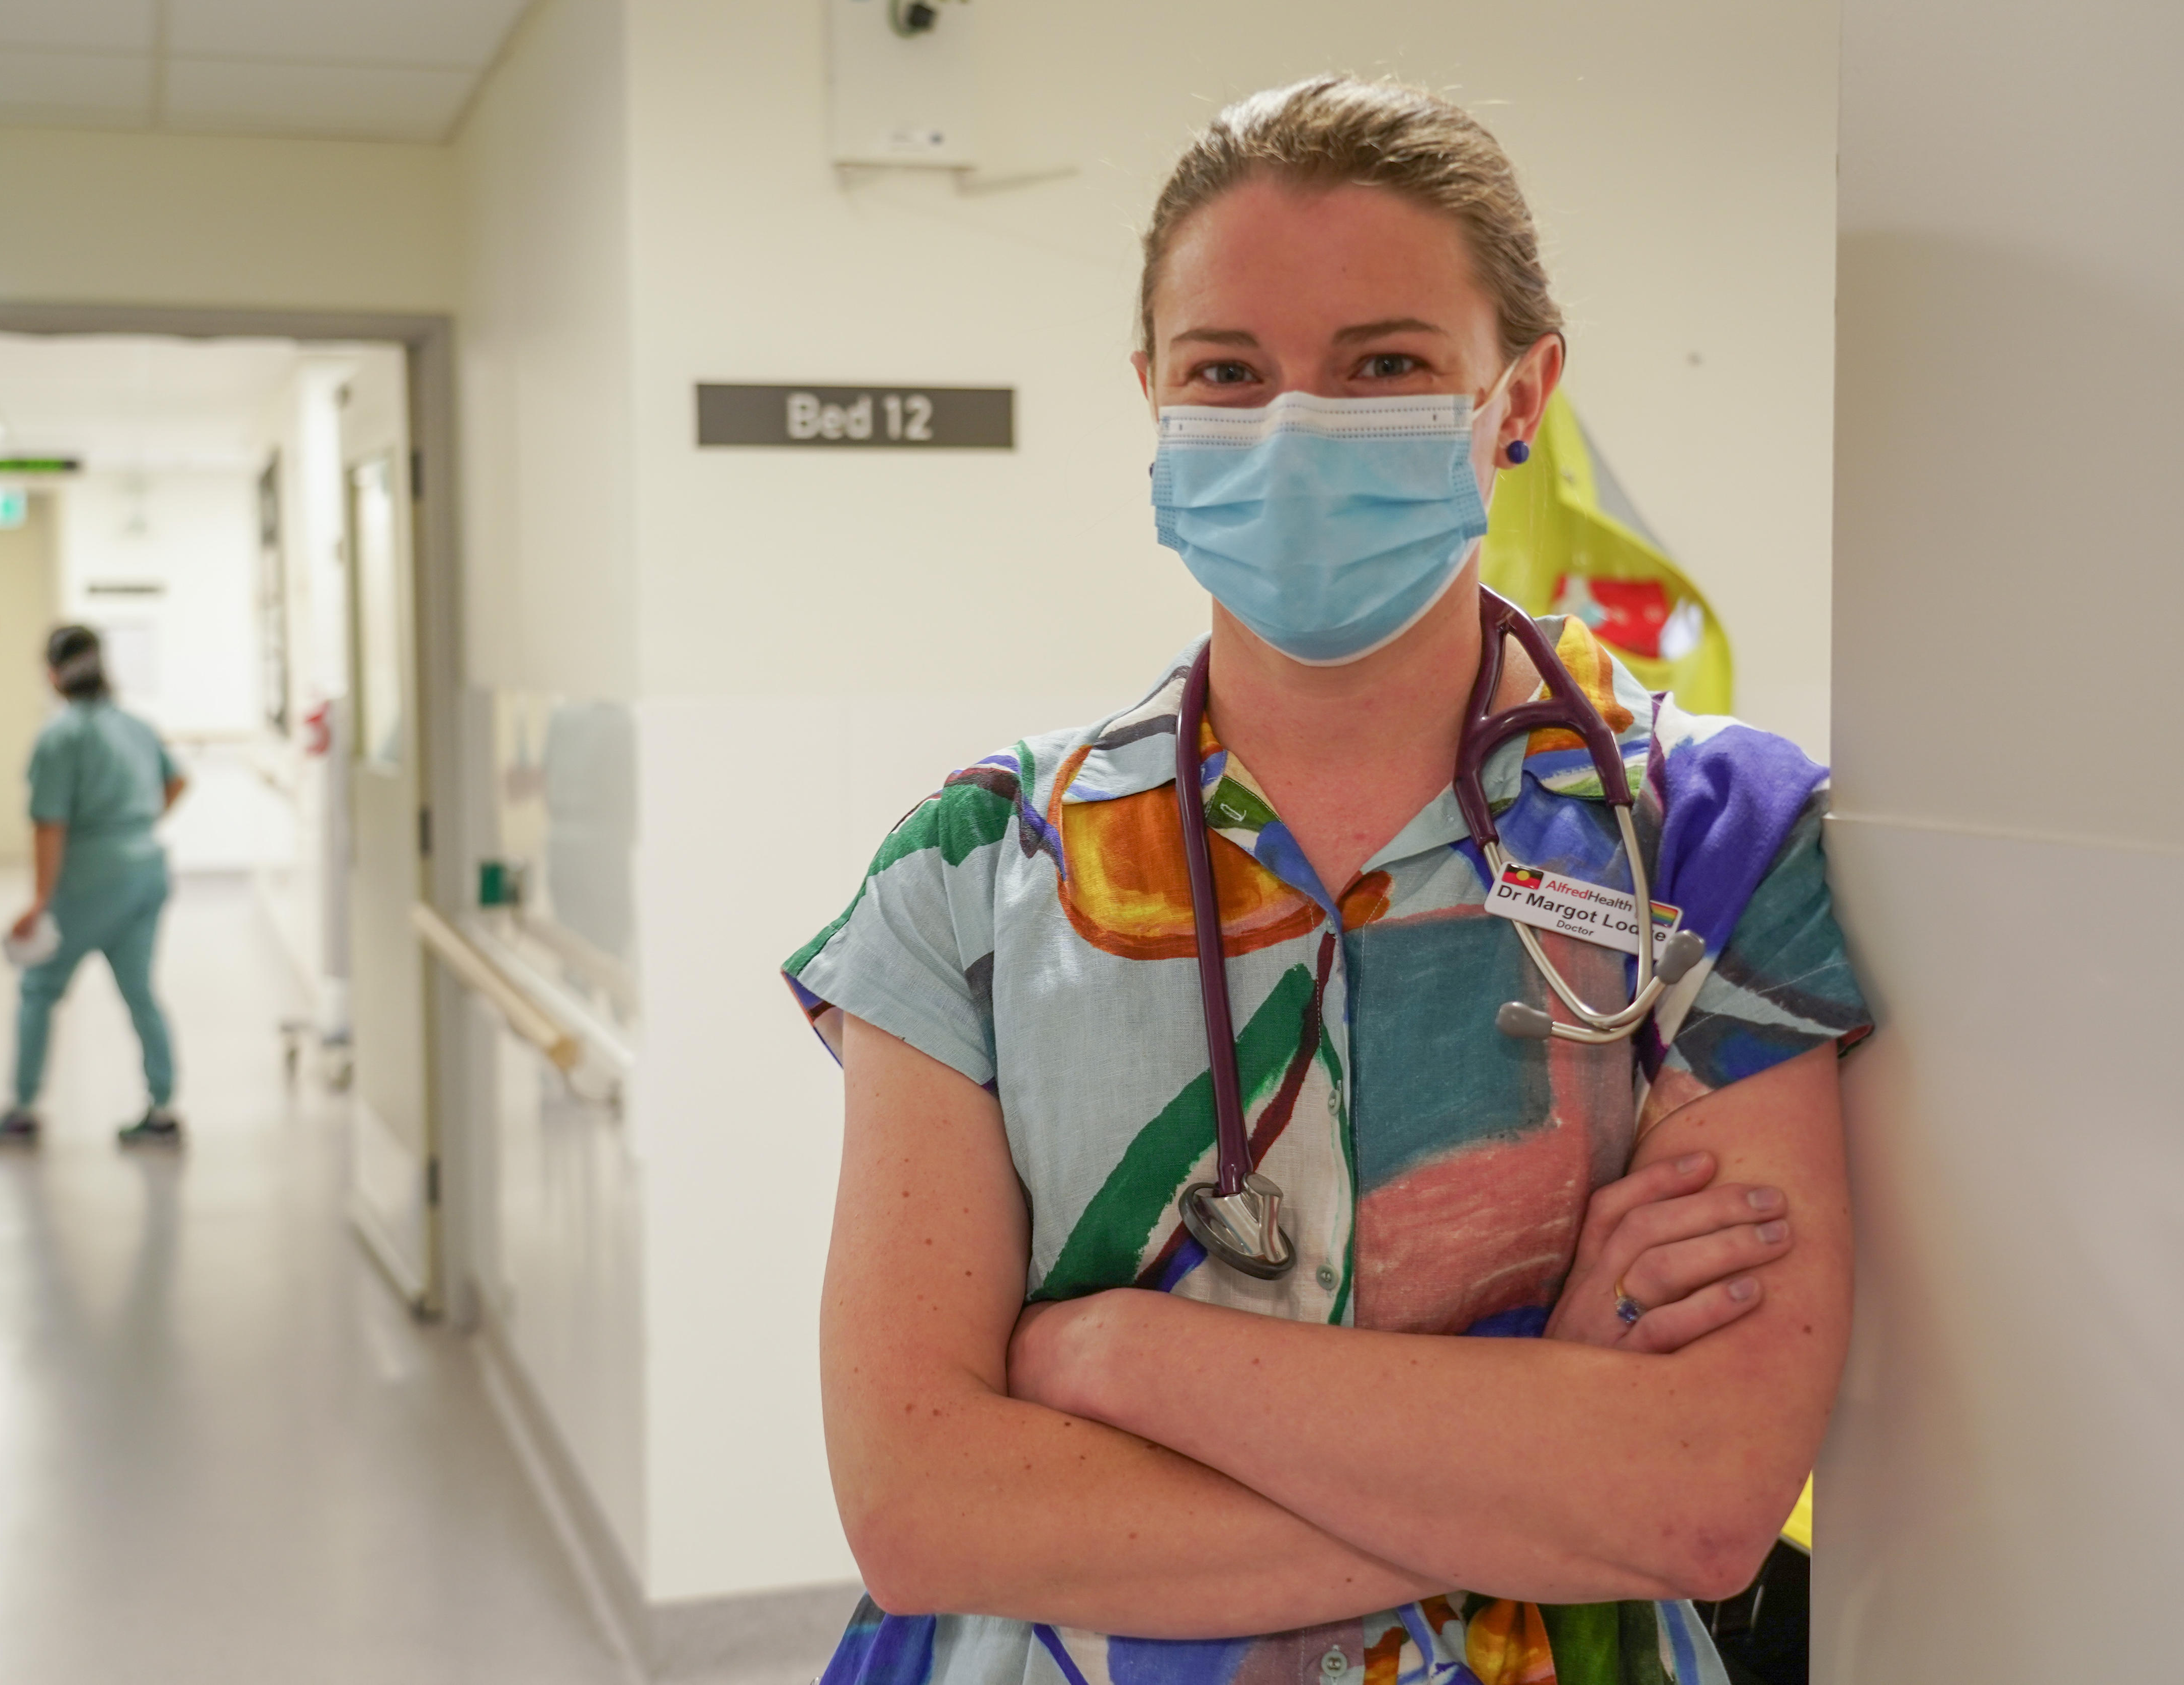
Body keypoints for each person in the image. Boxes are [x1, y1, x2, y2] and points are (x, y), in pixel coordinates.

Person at [784, 77, 1870, 1684]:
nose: (1293, 426)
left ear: (1519, 396)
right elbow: (922, 1511)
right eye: (1226, 372)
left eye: (1383, 367)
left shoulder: (1710, 837)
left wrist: (1108, 1353)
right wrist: (1532, 1461)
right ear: (1151, 393)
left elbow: (1697, 1498)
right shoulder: (972, 875)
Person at [0, 625, 188, 1148]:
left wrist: (39, 903)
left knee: (39, 989)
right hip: (148, 871)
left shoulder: (59, 736)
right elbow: (177, 780)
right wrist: (135, 824)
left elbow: (49, 824)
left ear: (51, 674)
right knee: (140, 992)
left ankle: (22, 1107)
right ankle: (162, 1110)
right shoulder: (135, 725)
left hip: (91, 878)